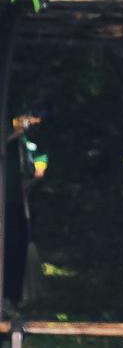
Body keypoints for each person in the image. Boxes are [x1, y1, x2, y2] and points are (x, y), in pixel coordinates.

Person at [4, 106, 47, 309]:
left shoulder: (34, 144)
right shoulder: (10, 138)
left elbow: (40, 170)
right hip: (4, 202)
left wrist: (29, 184)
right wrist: (14, 135)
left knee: (16, 249)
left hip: (18, 204)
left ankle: (11, 298)